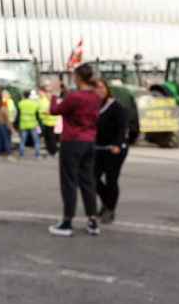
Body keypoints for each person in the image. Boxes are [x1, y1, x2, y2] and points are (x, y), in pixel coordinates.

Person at [48, 64, 102, 237]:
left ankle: (67, 221)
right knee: (87, 181)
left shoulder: (75, 97)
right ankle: (92, 220)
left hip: (72, 141)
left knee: (69, 181)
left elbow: (55, 110)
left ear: (78, 77)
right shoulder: (95, 97)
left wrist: (55, 95)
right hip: (89, 141)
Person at [93, 80, 128, 224]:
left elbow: (122, 127)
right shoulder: (93, 106)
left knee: (111, 180)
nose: (98, 90)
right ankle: (107, 203)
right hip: (98, 148)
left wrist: (117, 144)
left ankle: (110, 210)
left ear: (107, 89)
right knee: (92, 178)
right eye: (95, 88)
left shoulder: (116, 106)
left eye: (101, 87)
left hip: (115, 149)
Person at [16, 90, 42, 159]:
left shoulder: (20, 103)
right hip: (33, 124)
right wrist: (39, 124)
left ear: (23, 95)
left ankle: (21, 155)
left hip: (23, 124)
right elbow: (37, 116)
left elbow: (18, 115)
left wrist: (16, 124)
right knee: (36, 140)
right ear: (30, 95)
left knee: (22, 140)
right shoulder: (34, 104)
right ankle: (37, 155)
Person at [36, 80, 59, 157]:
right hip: (45, 121)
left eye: (40, 92)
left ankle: (54, 151)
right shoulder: (43, 100)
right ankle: (50, 151)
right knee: (47, 137)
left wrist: (43, 112)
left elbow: (49, 110)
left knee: (50, 138)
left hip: (49, 121)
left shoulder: (48, 100)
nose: (39, 93)